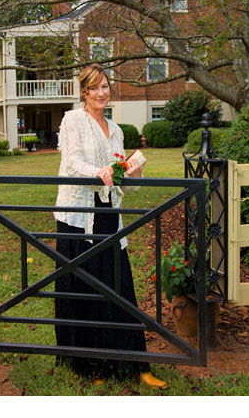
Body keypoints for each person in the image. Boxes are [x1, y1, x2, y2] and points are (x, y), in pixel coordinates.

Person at [53, 63, 167, 388]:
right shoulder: (73, 120)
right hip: (78, 217)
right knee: (85, 289)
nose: (101, 93)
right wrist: (99, 171)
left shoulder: (116, 130)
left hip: (108, 216)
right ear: (84, 92)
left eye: (105, 86)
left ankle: (134, 365)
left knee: (120, 288)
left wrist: (133, 173)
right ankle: (90, 365)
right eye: (94, 88)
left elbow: (122, 183)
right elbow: (72, 161)